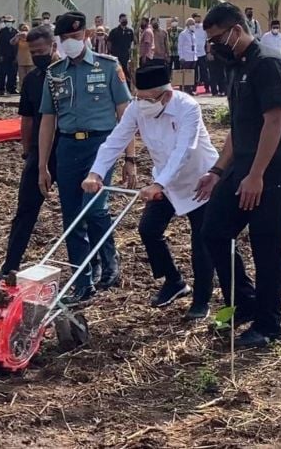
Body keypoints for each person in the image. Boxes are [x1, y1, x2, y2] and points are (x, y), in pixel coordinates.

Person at [196, 3, 281, 348]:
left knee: (266, 241)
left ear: (235, 29)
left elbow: (274, 121)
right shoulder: (236, 66)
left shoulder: (268, 64)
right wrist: (218, 170)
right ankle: (245, 301)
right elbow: (238, 127)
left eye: (217, 38)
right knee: (214, 230)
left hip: (278, 168)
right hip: (245, 165)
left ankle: (269, 324)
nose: (213, 45)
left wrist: (257, 175)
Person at [83, 65, 219, 319]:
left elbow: (184, 150)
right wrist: (96, 173)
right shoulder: (137, 108)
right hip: (164, 180)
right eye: (138, 97)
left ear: (167, 95)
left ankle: (201, 300)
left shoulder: (188, 107)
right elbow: (115, 140)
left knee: (202, 242)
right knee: (148, 230)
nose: (142, 104)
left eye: (148, 99)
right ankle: (174, 281)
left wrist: (159, 184)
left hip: (200, 179)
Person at [38, 12, 135, 303]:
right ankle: (83, 278)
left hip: (101, 146)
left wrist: (130, 158)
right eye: (65, 38)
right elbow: (47, 120)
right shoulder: (55, 73)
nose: (71, 42)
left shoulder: (108, 67)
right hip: (67, 147)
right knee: (71, 216)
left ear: (87, 36)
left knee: (94, 208)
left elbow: (125, 114)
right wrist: (43, 164)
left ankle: (108, 258)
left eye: (76, 37)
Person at [0, 26, 59, 278]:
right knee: (25, 211)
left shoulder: (66, 75)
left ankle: (96, 266)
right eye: (33, 52)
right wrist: (27, 152)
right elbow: (27, 119)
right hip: (38, 152)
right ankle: (9, 266)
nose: (37, 56)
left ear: (53, 47)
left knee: (82, 214)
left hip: (68, 151)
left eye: (41, 51)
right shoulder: (32, 80)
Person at [107, 14, 134, 88]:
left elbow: (132, 43)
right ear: (119, 20)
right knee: (117, 72)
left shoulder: (130, 31)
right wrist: (111, 52)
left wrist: (131, 55)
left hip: (126, 56)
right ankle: (116, 87)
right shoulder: (114, 31)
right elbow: (109, 42)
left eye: (125, 19)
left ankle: (128, 89)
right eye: (123, 19)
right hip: (116, 56)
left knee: (126, 72)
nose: (124, 21)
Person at [0, 15, 18, 95]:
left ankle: (11, 88)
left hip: (12, 56)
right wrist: (0, 55)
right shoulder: (2, 32)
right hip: (3, 55)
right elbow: (0, 45)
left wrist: (16, 56)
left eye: (10, 22)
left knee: (12, 73)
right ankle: (0, 89)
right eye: (7, 22)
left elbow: (16, 45)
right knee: (2, 73)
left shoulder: (15, 32)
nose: (9, 23)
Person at [178, 18, 199, 95]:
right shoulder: (183, 34)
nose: (193, 25)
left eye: (193, 23)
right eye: (191, 24)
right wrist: (181, 57)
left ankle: (190, 90)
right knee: (185, 74)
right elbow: (180, 46)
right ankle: (184, 90)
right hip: (186, 57)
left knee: (191, 75)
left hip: (193, 57)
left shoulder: (193, 34)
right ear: (187, 25)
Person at [13, 23, 34, 90]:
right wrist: (17, 36)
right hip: (21, 60)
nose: (24, 31)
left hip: (30, 60)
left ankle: (30, 90)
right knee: (22, 77)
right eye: (23, 29)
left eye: (26, 29)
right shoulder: (19, 37)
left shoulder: (31, 36)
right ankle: (22, 90)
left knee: (30, 77)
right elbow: (12, 42)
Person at [192, 13, 209, 92]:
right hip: (193, 54)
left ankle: (207, 87)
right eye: (196, 20)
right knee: (194, 72)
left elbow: (207, 40)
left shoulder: (203, 28)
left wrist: (208, 51)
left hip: (202, 53)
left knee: (204, 71)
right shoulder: (190, 28)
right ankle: (194, 88)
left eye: (199, 19)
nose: (198, 21)